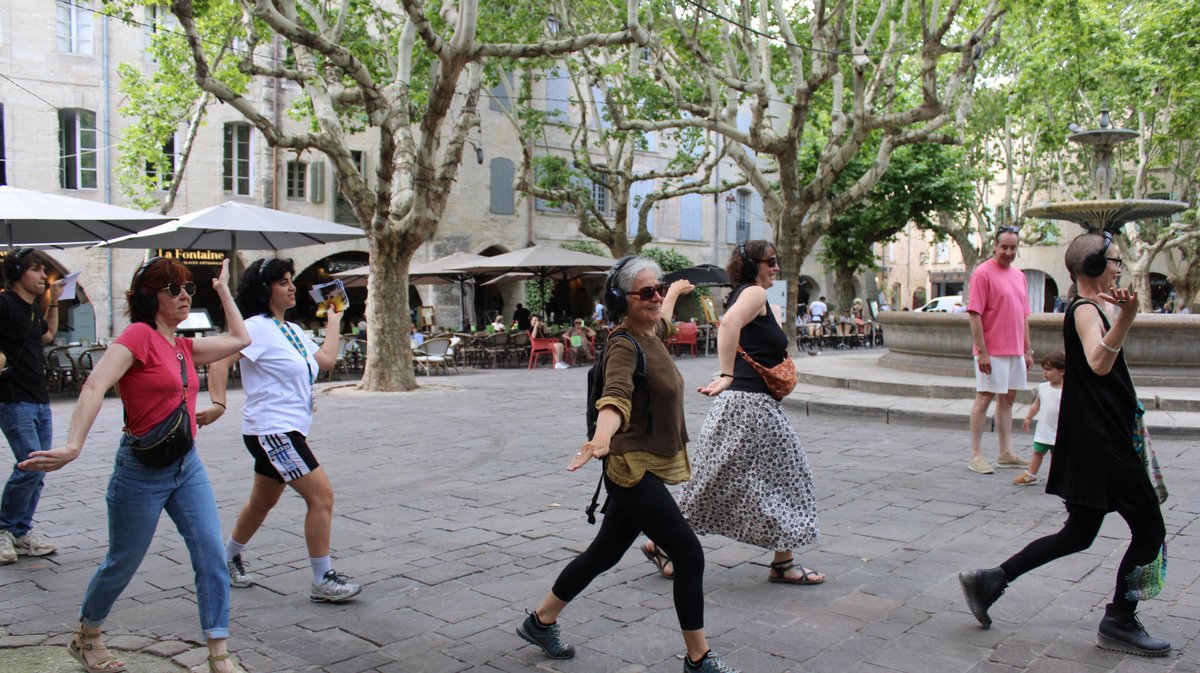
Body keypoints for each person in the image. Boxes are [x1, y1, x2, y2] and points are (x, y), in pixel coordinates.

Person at [20, 257, 251, 673]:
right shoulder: (137, 337)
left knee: (212, 557)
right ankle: (88, 635)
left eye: (187, 289)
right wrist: (73, 446)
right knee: (123, 560)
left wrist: (222, 291)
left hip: (186, 466)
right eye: (173, 289)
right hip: (141, 469)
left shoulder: (182, 346)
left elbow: (240, 338)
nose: (183, 296)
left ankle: (219, 654)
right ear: (150, 298)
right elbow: (94, 385)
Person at [517, 257, 740, 673]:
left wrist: (672, 292)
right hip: (630, 470)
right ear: (622, 300)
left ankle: (540, 621)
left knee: (603, 553)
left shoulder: (650, 330)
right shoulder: (624, 344)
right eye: (647, 293)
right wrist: (601, 438)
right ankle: (699, 659)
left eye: (658, 289)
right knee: (688, 555)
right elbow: (615, 394)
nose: (656, 298)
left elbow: (663, 320)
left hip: (644, 466)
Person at [959, 232, 1170, 657]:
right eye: (1114, 260)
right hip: (1103, 441)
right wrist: (1127, 318)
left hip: (1095, 437)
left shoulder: (1097, 306)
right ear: (1092, 266)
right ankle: (1119, 620)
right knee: (1150, 530)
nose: (1119, 266)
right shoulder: (1086, 309)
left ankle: (989, 581)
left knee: (1078, 533)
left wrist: (1121, 312)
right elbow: (1097, 360)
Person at [202, 258, 362, 605]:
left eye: (291, 281)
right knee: (321, 496)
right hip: (273, 431)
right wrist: (218, 404)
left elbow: (326, 362)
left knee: (262, 502)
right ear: (265, 290)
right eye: (283, 282)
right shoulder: (255, 328)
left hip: (288, 429)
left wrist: (334, 321)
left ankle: (225, 559)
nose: (292, 287)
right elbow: (218, 359)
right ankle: (323, 578)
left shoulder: (290, 330)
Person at [671, 240, 823, 587]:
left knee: (717, 481)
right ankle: (782, 563)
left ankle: (663, 544)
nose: (777, 268)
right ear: (754, 264)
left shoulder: (746, 293)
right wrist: (726, 374)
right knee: (789, 477)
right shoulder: (753, 294)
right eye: (771, 261)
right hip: (748, 405)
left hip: (745, 406)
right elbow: (728, 327)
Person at [0, 248, 63, 564]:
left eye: (44, 270)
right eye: (36, 269)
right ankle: (3, 529)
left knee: (40, 468)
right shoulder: (3, 304)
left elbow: (48, 334)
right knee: (29, 465)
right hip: (14, 398)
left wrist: (52, 300)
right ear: (17, 274)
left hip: (39, 399)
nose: (43, 275)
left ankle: (22, 532)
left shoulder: (31, 310)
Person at [966, 227, 1032, 474]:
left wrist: (1027, 350)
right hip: (992, 349)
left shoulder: (1019, 276)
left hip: (1014, 349)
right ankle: (976, 454)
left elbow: (1024, 315)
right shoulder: (982, 273)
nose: (1008, 252)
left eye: (1013, 248)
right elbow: (975, 314)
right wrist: (982, 351)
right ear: (995, 246)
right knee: (984, 397)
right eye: (1004, 247)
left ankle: (1006, 452)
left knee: (1008, 399)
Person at [1013, 352, 1065, 486]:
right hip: (1044, 428)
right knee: (1037, 452)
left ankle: (1057, 477)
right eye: (1044, 369)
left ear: (1062, 371)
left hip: (1059, 429)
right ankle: (1031, 474)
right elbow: (1036, 404)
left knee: (1057, 455)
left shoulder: (1066, 390)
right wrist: (1029, 417)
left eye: (1049, 369)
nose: (1045, 372)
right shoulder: (1043, 388)